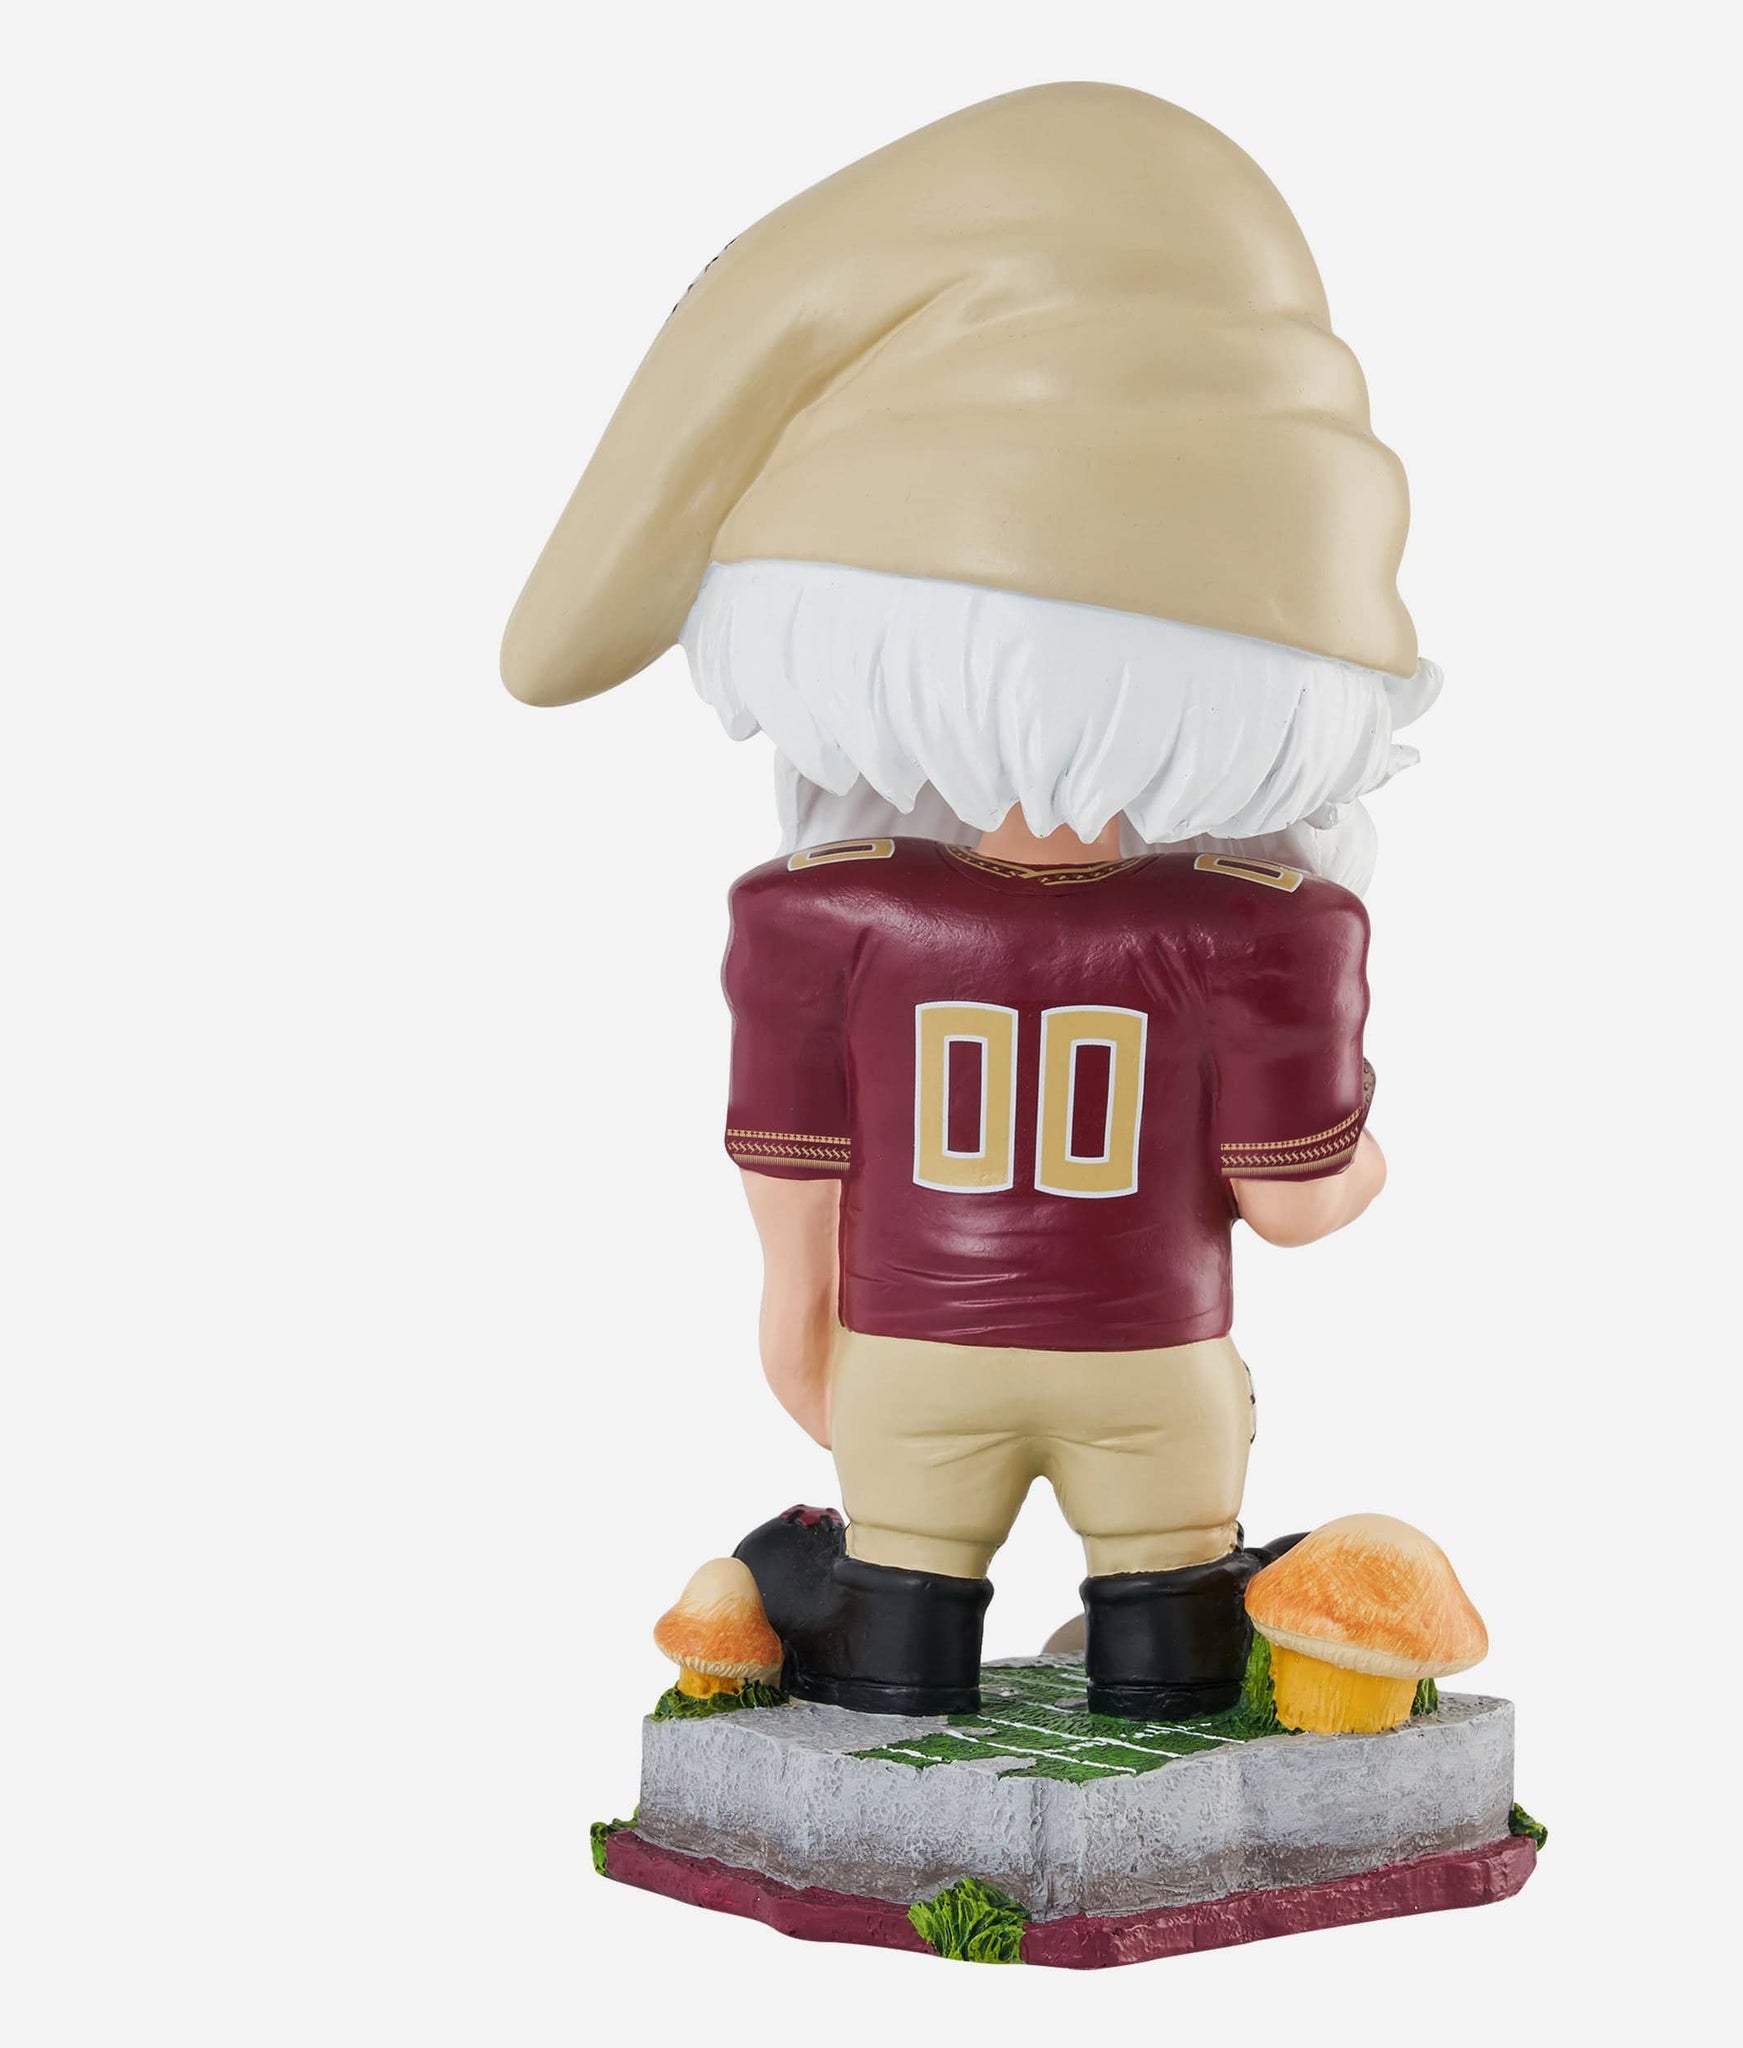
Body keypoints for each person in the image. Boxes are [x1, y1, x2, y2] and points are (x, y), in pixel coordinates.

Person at [502, 83, 1441, 1716]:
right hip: (1153, 1359)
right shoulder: (1260, 923)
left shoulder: (827, 911)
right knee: (1174, 1622)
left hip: (912, 1357)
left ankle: (879, 1672)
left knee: (894, 1624)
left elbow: (791, 1164)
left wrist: (798, 1319)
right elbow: (1295, 1203)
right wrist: (1374, 1155)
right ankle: (1170, 1676)